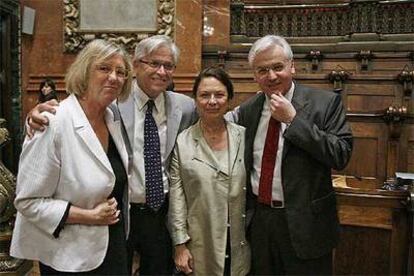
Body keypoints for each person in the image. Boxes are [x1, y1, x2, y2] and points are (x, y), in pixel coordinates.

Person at [26, 35, 197, 275]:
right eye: (154, 63)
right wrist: (34, 117)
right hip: (120, 212)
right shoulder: (110, 103)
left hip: (160, 214)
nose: (161, 71)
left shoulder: (186, 107)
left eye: (168, 66)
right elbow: (71, 114)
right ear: (136, 65)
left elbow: (218, 121)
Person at [227, 35, 353, 275]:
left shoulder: (325, 103)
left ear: (292, 66)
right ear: (254, 75)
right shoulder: (248, 110)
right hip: (261, 224)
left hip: (306, 225)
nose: (271, 76)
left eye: (277, 67)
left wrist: (294, 120)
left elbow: (341, 154)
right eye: (262, 70)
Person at [10, 39, 133, 274]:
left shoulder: (112, 119)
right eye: (104, 68)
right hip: (68, 255)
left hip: (112, 244)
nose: (114, 77)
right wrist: (88, 216)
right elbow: (27, 201)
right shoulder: (53, 122)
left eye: (121, 72)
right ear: (84, 71)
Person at [169, 67, 250, 276]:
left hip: (240, 239)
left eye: (219, 95)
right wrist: (179, 244)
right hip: (200, 241)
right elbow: (178, 198)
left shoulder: (244, 137)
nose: (212, 101)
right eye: (204, 95)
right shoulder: (183, 141)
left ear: (230, 99)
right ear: (195, 99)